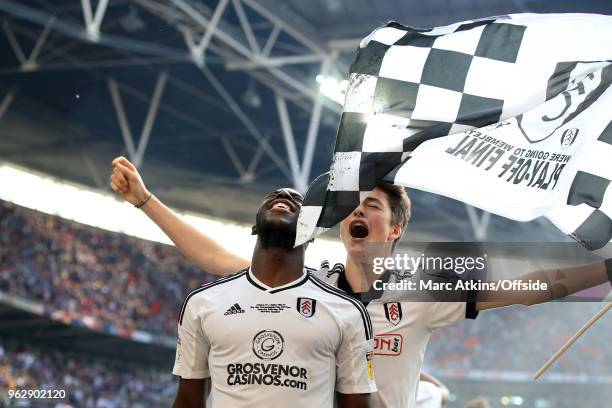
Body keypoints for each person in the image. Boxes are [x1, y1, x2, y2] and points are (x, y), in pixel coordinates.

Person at [110, 156, 612, 408]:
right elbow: (219, 260)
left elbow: (538, 284)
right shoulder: (313, 283)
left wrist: (606, 272)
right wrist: (145, 202)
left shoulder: (422, 287)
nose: (357, 212)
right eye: (353, 206)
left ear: (394, 230)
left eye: (371, 207)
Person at [172, 187, 375, 407]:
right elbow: (187, 401)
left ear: (312, 233)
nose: (284, 195)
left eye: (297, 200)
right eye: (273, 195)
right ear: (254, 227)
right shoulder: (202, 303)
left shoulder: (348, 311)